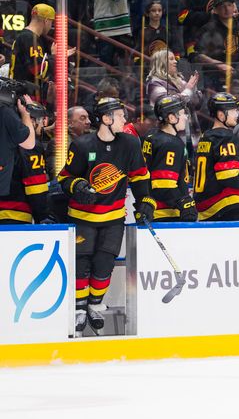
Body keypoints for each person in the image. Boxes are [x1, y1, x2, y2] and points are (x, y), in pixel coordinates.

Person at [57, 97, 154, 333]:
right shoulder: (82, 146)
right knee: (82, 264)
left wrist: (146, 202)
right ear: (106, 118)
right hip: (83, 217)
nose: (124, 119)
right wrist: (78, 186)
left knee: (104, 264)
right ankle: (79, 308)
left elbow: (140, 176)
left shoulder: (130, 144)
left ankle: (94, 305)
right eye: (120, 115)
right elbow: (64, 177)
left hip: (113, 217)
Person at [194, 93, 239, 221]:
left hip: (206, 207)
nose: (237, 114)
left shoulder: (206, 137)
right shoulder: (225, 138)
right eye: (233, 111)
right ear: (221, 115)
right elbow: (230, 177)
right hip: (224, 206)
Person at [141, 96, 197, 222]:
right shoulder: (170, 144)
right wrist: (183, 201)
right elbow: (163, 184)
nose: (185, 117)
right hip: (166, 212)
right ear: (172, 118)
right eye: (182, 114)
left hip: (151, 209)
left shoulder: (151, 136)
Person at [0, 97, 46, 222]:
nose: (43, 124)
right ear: (32, 120)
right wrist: (43, 217)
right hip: (14, 215)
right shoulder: (31, 147)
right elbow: (36, 187)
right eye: (41, 119)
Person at [9, 4, 55, 101]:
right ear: (46, 21)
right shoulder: (29, 39)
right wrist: (54, 57)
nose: (51, 27)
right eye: (51, 22)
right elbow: (38, 70)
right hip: (25, 98)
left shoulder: (25, 36)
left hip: (20, 94)